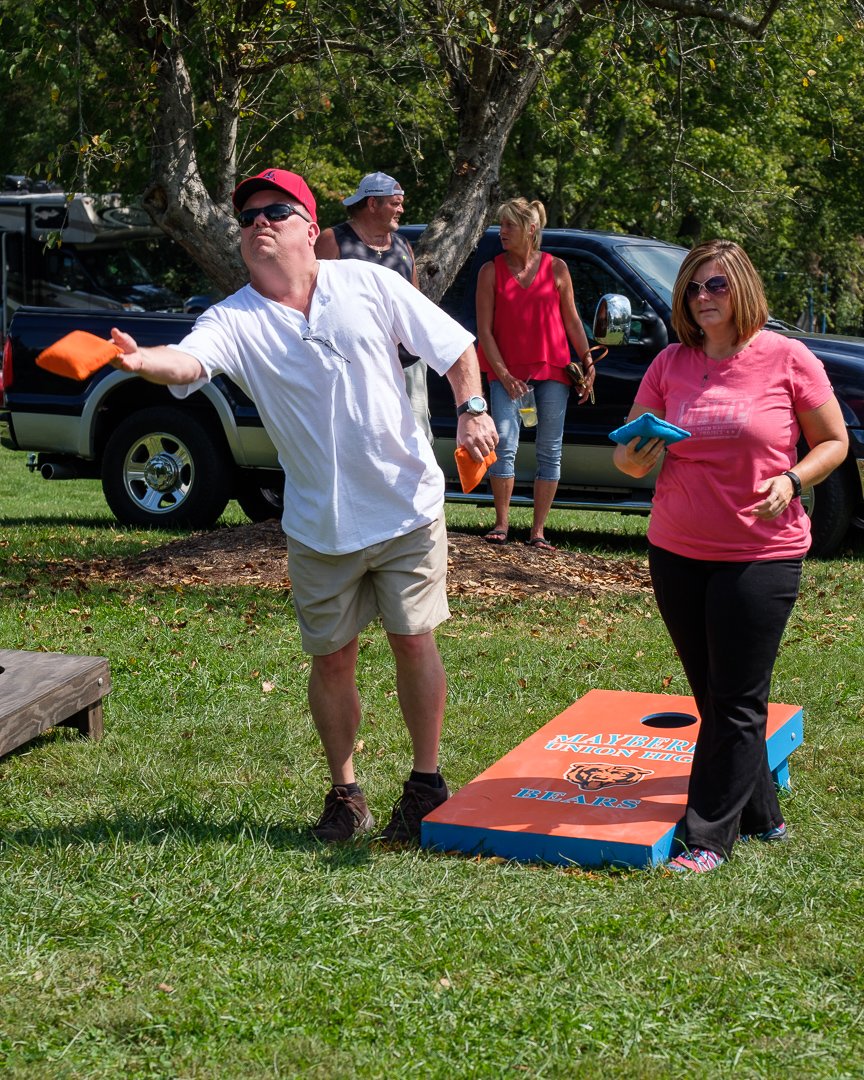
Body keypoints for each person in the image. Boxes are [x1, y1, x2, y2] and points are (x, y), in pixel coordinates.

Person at [108, 168, 498, 845]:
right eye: (248, 215)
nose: (259, 221)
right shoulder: (234, 318)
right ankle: (346, 794)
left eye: (277, 211)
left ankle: (427, 784)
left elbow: (456, 346)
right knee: (333, 660)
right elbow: (190, 362)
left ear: (311, 230)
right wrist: (145, 361)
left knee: (413, 640)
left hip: (406, 506)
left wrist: (472, 409)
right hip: (320, 524)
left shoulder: (367, 283)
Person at [613, 239, 848, 873]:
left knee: (739, 697)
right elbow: (628, 455)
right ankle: (762, 815)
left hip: (761, 553)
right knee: (714, 695)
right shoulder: (670, 363)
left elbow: (835, 442)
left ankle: (708, 837)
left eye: (715, 285)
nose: (701, 298)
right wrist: (637, 454)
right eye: (692, 288)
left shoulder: (788, 358)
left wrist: (793, 480)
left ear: (742, 289)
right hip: (677, 549)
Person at [476, 197, 595, 551]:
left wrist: (588, 363)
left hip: (553, 371)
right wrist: (503, 374)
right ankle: (501, 524)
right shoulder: (490, 270)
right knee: (505, 444)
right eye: (501, 225)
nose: (503, 232)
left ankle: (538, 531)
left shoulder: (557, 268)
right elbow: (484, 331)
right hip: (506, 375)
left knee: (549, 450)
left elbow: (572, 321)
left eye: (510, 225)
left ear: (531, 229)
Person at [315, 172, 432, 441]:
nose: (402, 209)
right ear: (372, 204)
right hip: (355, 368)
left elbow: (416, 303)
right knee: (362, 442)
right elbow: (313, 303)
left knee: (416, 441)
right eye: (395, 203)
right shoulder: (334, 240)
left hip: (407, 365)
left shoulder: (403, 245)